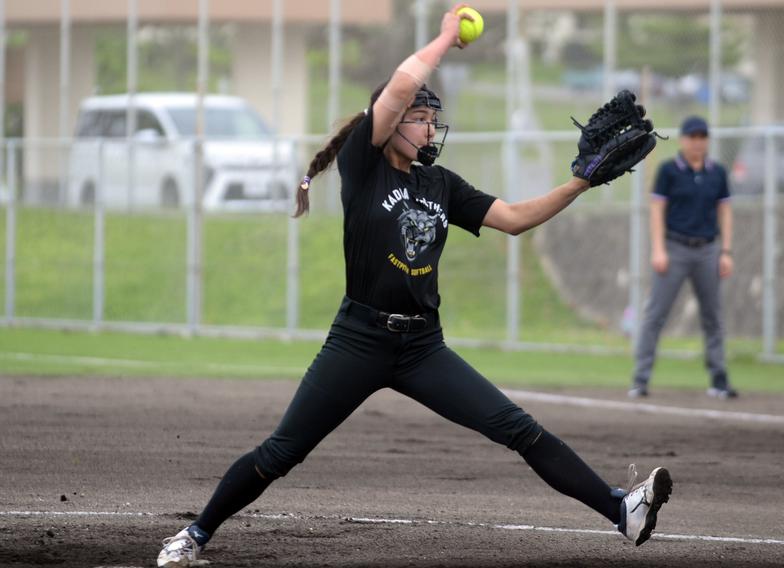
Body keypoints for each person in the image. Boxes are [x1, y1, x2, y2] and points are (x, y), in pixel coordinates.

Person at [156, 7, 671, 567]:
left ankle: (623, 512)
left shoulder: (440, 184)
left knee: (518, 428)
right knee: (281, 452)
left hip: (423, 347)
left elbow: (517, 218)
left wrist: (580, 181)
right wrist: (447, 37)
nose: (430, 128)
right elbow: (401, 84)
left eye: (431, 119)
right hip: (358, 341)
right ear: (393, 120)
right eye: (421, 117)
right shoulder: (365, 166)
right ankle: (194, 536)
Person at [628, 115, 737, 399]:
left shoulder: (717, 172)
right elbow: (656, 210)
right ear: (683, 139)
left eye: (702, 137)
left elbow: (724, 211)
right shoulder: (669, 170)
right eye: (692, 137)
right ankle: (640, 380)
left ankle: (719, 379)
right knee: (655, 314)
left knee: (713, 316)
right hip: (675, 248)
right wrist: (658, 249)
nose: (697, 142)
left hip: (708, 250)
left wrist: (726, 251)